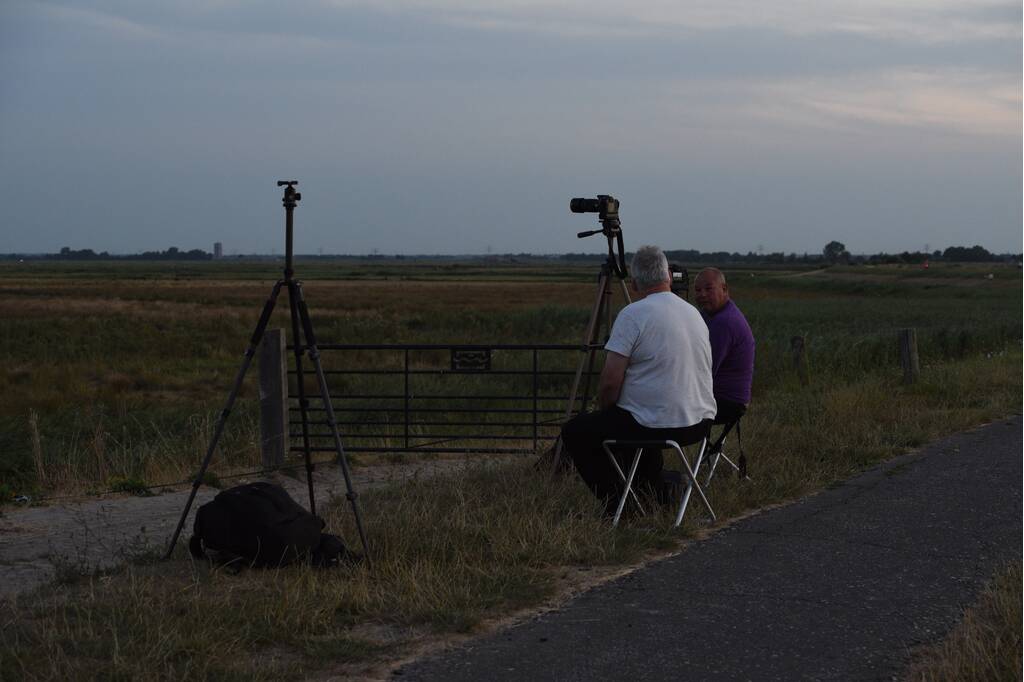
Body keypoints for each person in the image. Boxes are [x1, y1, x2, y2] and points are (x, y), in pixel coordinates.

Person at [561, 246, 716, 512]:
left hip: (656, 426)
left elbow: (610, 382)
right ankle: (654, 496)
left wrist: (607, 410)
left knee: (576, 431)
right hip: (700, 423)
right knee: (635, 418)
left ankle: (620, 507)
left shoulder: (633, 314)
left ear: (633, 283)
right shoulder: (694, 314)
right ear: (668, 275)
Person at [692, 268, 755, 425]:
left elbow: (704, 370)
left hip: (727, 401)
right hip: (721, 396)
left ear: (724, 289)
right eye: (698, 290)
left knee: (657, 408)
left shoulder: (724, 322)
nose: (702, 294)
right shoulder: (710, 313)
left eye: (708, 289)